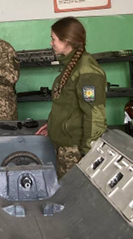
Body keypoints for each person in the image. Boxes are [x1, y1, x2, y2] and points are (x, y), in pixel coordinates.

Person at [36, 16, 107, 179]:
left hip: (75, 150)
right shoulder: (72, 65)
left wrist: (90, 153)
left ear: (66, 41)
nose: (51, 43)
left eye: (53, 39)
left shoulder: (87, 71)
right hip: (65, 147)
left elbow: (94, 114)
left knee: (72, 193)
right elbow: (68, 105)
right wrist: (53, 124)